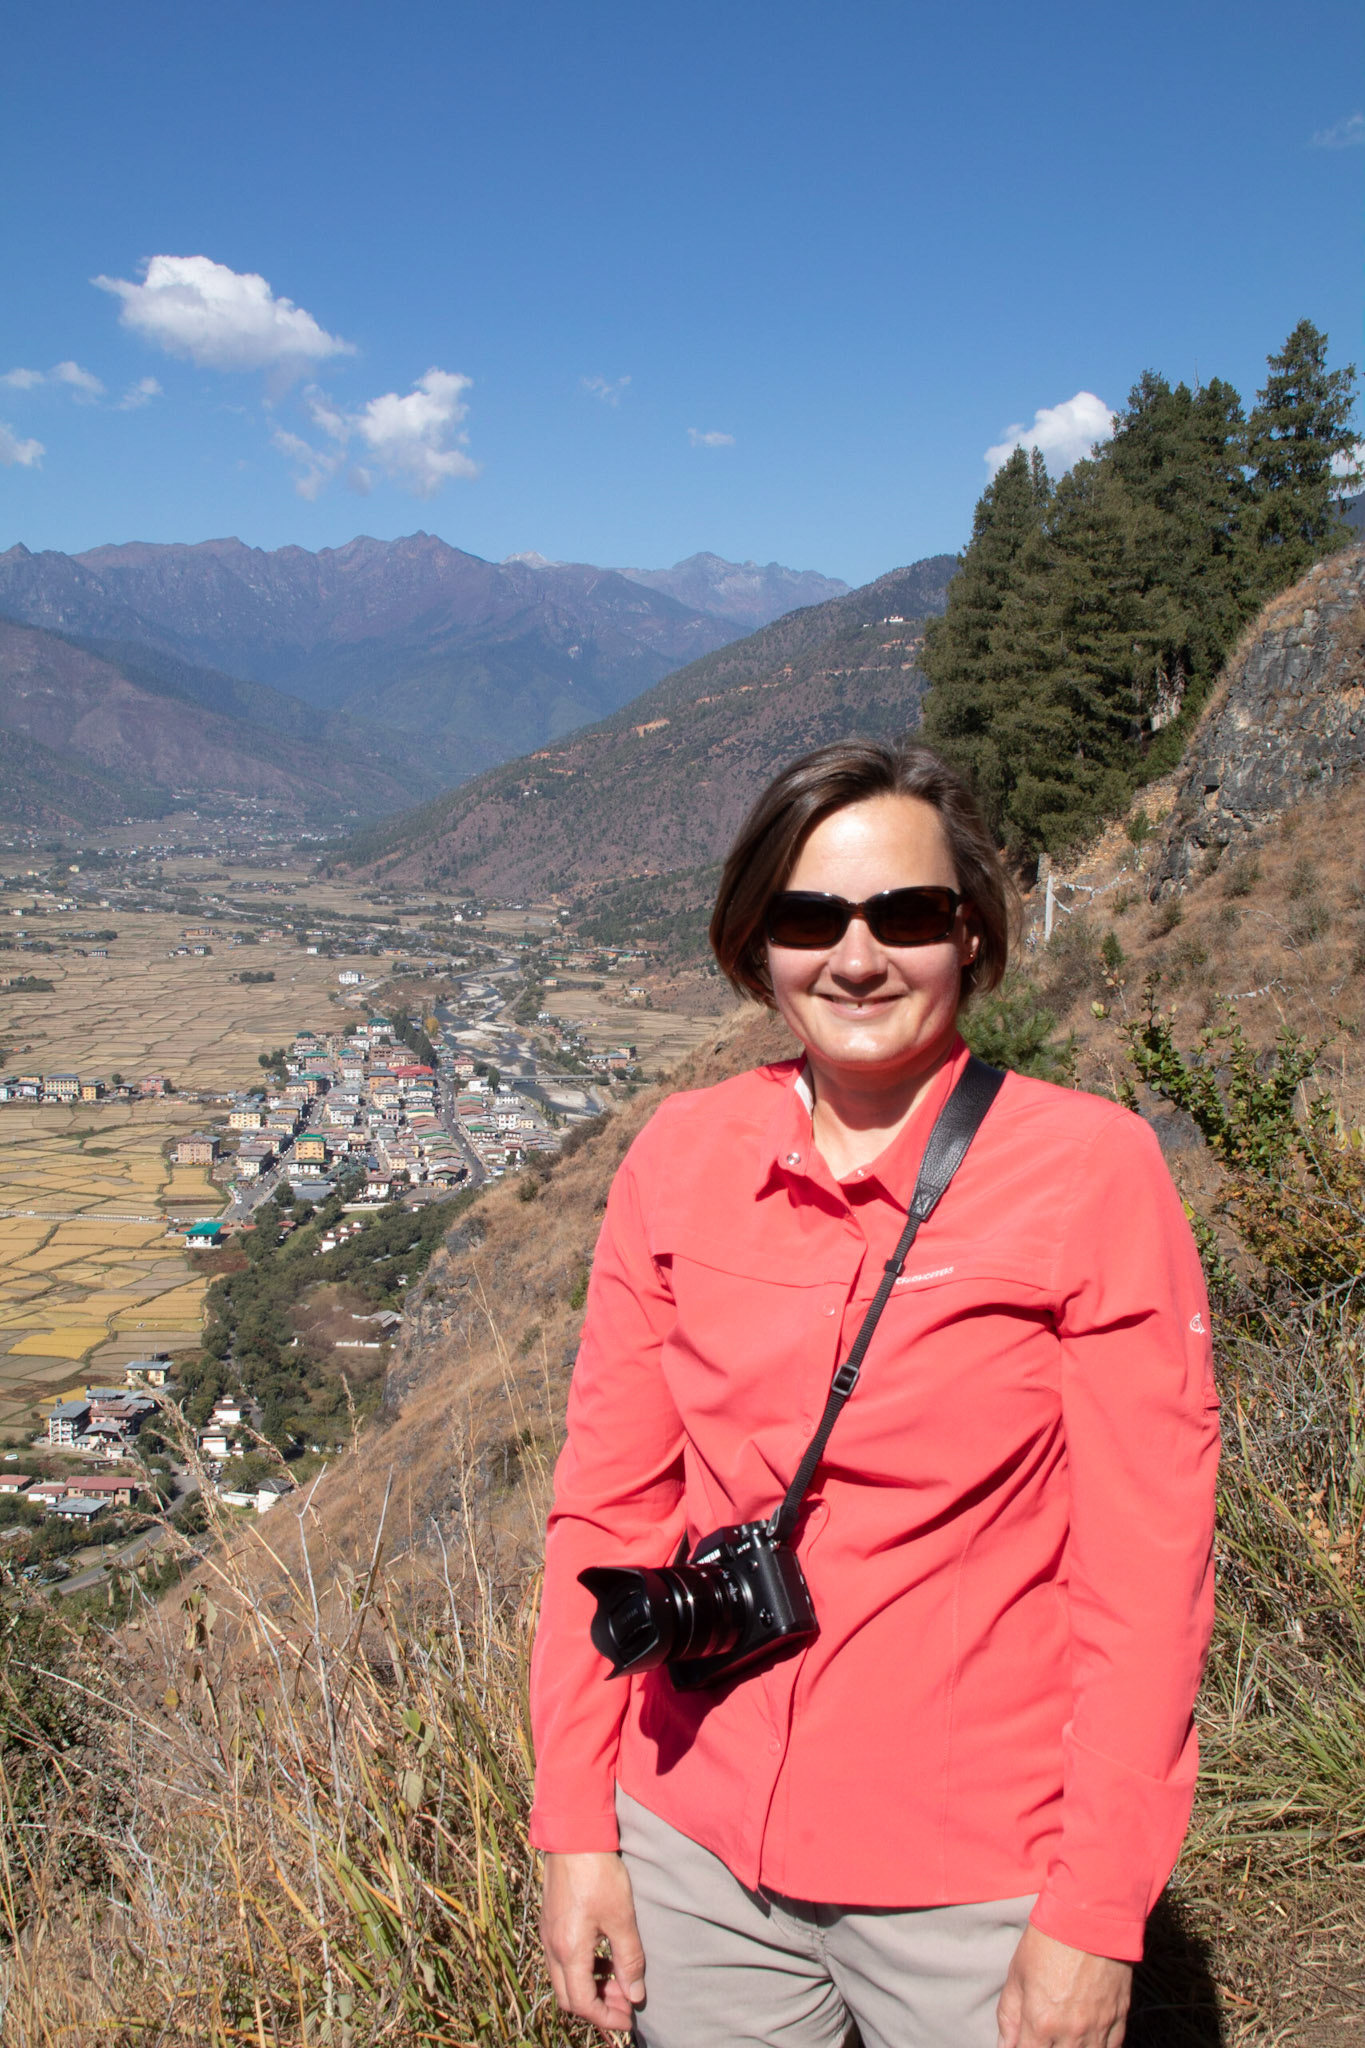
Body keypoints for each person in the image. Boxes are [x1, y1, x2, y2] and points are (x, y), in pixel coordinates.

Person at [530, 740, 1219, 2048]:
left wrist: (1092, 1911)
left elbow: (1147, 1575)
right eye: (807, 917)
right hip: (695, 1841)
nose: (856, 957)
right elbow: (604, 1521)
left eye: (905, 914)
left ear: (969, 935)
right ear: (755, 941)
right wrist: (577, 1828)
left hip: (971, 1872)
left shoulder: (1088, 1173)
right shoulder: (679, 1159)